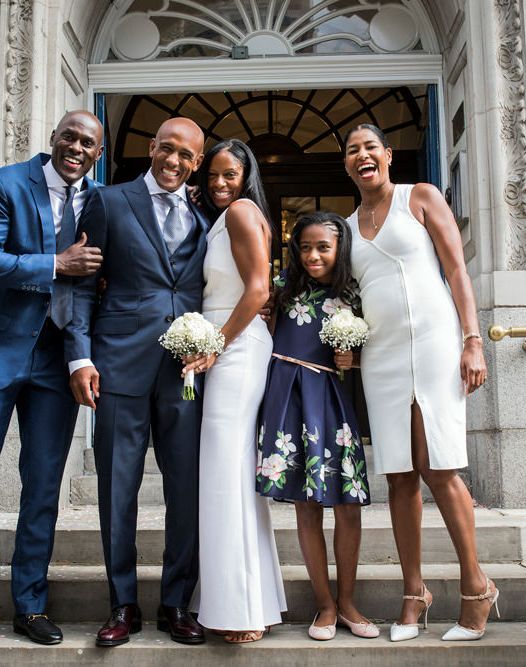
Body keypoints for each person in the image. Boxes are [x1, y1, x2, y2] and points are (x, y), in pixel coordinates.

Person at [0, 111, 104, 645]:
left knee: (42, 487)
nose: (77, 148)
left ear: (98, 152)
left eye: (89, 143)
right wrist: (54, 263)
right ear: (54, 139)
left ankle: (29, 604)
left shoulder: (98, 201)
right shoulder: (6, 183)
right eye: (70, 138)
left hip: (58, 364)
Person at [339, 124, 498, 642]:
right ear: (347, 165)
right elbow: (350, 297)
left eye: (370, 147)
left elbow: (457, 271)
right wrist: (345, 341)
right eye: (352, 151)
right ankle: (414, 593)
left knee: (439, 466)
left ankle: (477, 588)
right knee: (399, 476)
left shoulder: (421, 197)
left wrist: (472, 340)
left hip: (434, 345)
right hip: (381, 357)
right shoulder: (345, 227)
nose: (362, 156)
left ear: (387, 155)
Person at [66, 117, 208, 647]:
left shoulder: (204, 212)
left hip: (186, 372)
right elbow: (81, 284)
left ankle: (177, 603)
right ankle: (122, 604)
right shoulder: (109, 200)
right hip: (119, 364)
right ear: (151, 148)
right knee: (117, 489)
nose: (174, 162)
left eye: (186, 156)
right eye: (167, 150)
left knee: (186, 490)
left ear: (196, 162)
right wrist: (79, 356)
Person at [183, 138, 286, 643]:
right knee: (231, 474)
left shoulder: (244, 212)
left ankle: (241, 610)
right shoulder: (223, 217)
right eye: (214, 175)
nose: (220, 183)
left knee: (226, 473)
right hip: (231, 345)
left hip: (238, 350)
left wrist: (215, 347)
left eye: (230, 174)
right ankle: (246, 598)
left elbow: (259, 290)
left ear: (246, 177)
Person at [256, 211, 378, 641]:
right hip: (287, 399)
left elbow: (377, 350)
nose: (313, 255)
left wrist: (354, 359)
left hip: (330, 400)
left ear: (340, 249)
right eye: (305, 247)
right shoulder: (281, 293)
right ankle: (324, 606)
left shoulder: (355, 295)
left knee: (347, 503)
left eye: (323, 247)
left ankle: (347, 602)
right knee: (306, 507)